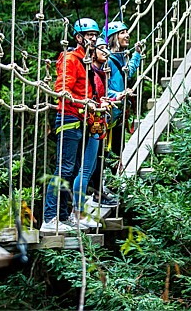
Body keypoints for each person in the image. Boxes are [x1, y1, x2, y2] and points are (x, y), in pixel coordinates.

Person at [41, 18, 111, 233]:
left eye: (94, 35)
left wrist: (96, 103)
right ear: (78, 38)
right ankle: (49, 217)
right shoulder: (72, 58)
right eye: (88, 35)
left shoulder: (86, 61)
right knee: (63, 169)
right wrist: (83, 102)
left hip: (81, 118)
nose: (92, 38)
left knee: (69, 170)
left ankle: (62, 217)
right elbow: (62, 88)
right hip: (70, 117)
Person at [89, 21, 142, 207]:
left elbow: (129, 72)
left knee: (116, 151)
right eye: (122, 33)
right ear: (113, 37)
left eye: (127, 32)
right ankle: (100, 190)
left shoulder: (121, 58)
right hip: (108, 112)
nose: (127, 35)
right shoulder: (108, 60)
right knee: (105, 152)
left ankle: (109, 186)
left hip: (118, 113)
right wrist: (118, 95)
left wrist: (137, 55)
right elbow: (103, 88)